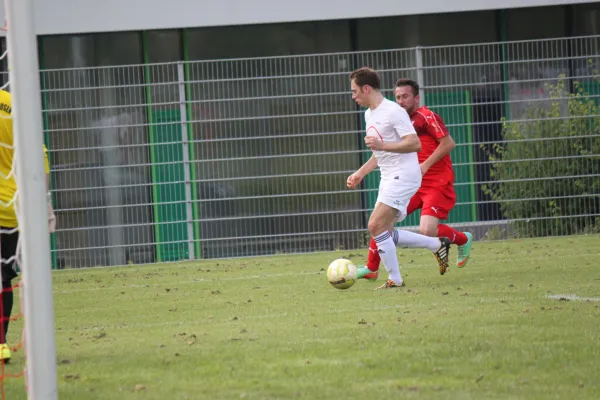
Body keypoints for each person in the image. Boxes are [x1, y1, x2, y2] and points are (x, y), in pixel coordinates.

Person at [356, 78, 473, 281]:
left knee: (427, 230)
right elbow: (382, 152)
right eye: (398, 97)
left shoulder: (427, 117)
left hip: (435, 182)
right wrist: (361, 172)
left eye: (405, 96)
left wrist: (425, 165)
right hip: (412, 182)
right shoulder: (396, 118)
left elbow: (448, 143)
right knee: (382, 222)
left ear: (416, 98)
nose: (401, 101)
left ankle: (463, 239)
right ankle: (371, 267)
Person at [347, 68, 451, 289]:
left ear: (366, 89)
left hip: (404, 175)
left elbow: (414, 144)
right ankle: (435, 244)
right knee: (384, 231)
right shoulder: (369, 114)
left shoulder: (393, 111)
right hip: (388, 176)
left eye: (355, 91)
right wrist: (360, 173)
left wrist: (383, 145)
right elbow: (379, 152)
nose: (353, 96)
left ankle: (395, 279)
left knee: (375, 224)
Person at [0, 89, 55, 363]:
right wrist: (45, 204)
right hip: (15, 211)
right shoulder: (13, 104)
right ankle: (2, 344)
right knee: (5, 277)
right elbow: (40, 153)